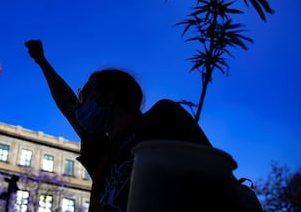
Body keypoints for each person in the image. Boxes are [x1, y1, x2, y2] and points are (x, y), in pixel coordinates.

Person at [24, 39, 213, 211]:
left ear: (107, 97)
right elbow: (67, 104)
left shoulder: (162, 117)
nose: (79, 104)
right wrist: (42, 61)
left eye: (85, 94)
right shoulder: (103, 152)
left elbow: (215, 178)